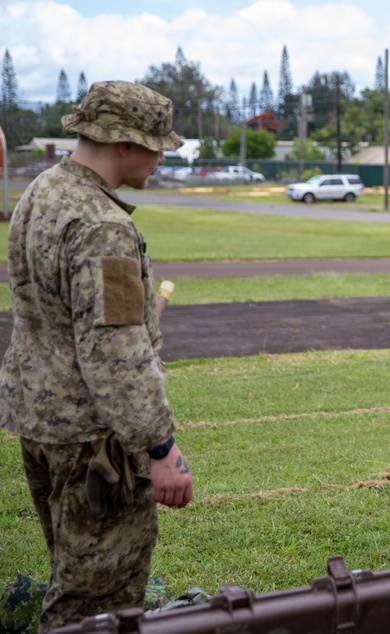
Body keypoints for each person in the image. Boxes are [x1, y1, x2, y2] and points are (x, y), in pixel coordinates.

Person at [0, 81, 194, 633]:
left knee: (72, 575)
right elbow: (115, 352)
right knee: (93, 609)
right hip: (94, 441)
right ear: (123, 145)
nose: (161, 158)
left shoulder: (42, 191)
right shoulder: (103, 225)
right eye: (157, 146)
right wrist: (159, 446)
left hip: (42, 423)